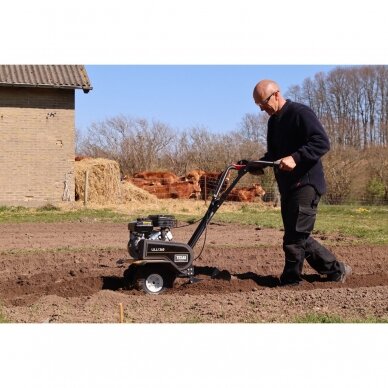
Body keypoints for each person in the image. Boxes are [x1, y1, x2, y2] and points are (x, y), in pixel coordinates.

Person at [252, 79, 352, 286]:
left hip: (306, 183)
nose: (263, 110)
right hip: (288, 187)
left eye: (263, 104)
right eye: (259, 106)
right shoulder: (274, 122)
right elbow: (274, 154)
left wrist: (296, 158)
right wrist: (255, 164)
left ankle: (290, 280)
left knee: (294, 239)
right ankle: (336, 269)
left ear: (276, 95)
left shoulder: (300, 113)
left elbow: (321, 142)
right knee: (299, 236)